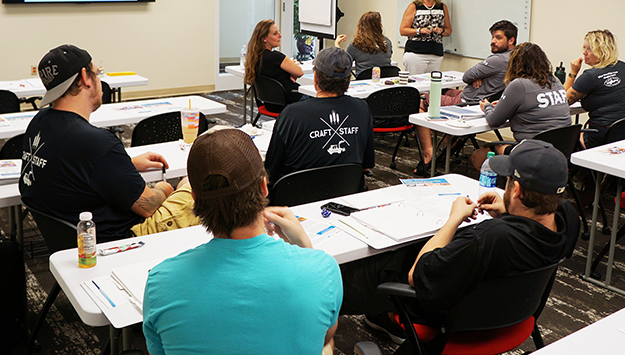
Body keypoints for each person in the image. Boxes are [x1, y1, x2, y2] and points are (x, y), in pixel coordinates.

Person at [338, 140, 580, 349]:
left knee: (372, 266)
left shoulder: (489, 239)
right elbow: (536, 220)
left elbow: (416, 276)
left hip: (453, 319)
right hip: (510, 313)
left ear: (515, 189)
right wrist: (508, 209)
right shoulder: (568, 220)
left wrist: (453, 219)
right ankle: (382, 317)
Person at [143, 128, 342, 355]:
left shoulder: (160, 282)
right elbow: (323, 335)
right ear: (264, 186)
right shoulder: (322, 269)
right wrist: (305, 247)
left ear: (194, 199)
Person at [19, 44, 199, 242]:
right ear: (85, 78)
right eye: (96, 74)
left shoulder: (39, 122)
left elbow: (73, 169)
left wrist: (125, 164)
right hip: (121, 239)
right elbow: (148, 206)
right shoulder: (96, 142)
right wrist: (164, 187)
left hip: (74, 240)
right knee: (191, 186)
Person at [414, 20, 517, 175]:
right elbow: (472, 76)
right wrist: (478, 76)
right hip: (478, 98)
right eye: (492, 37)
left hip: (468, 103)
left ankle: (429, 153)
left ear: (511, 40)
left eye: (498, 38)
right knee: (446, 90)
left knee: (421, 100)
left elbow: (467, 75)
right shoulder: (517, 58)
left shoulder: (497, 59)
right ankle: (449, 143)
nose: (493, 41)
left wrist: (476, 76)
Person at [265, 47, 375, 185]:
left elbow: (271, 171)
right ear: (348, 80)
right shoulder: (362, 109)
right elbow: (366, 164)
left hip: (297, 200)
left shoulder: (292, 115)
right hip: (346, 196)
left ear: (315, 78)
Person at [471, 42, 572, 170]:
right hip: (561, 150)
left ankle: (505, 188)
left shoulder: (519, 85)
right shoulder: (554, 80)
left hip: (532, 151)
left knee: (478, 156)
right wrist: (505, 105)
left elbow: (494, 120)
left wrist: (487, 106)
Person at [563, 29, 625, 148]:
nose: (584, 53)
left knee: (566, 139)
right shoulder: (623, 67)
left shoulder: (590, 76)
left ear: (602, 51)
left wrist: (573, 73)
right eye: (584, 48)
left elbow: (561, 102)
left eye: (589, 49)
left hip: (604, 136)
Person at [243, 19, 305, 112]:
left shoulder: (254, 58)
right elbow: (300, 72)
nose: (280, 35)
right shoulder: (275, 57)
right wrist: (292, 74)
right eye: (275, 33)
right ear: (264, 38)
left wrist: (291, 74)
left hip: (270, 104)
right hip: (292, 103)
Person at [399, 0, 452, 74]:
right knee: (416, 85)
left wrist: (441, 31)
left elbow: (448, 30)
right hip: (416, 53)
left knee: (432, 86)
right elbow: (403, 30)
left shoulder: (442, 7)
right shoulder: (414, 7)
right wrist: (420, 30)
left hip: (436, 53)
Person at [334, 11, 393, 78]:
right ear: (380, 26)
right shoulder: (387, 43)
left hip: (364, 83)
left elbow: (343, 63)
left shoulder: (356, 45)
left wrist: (337, 44)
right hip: (385, 84)